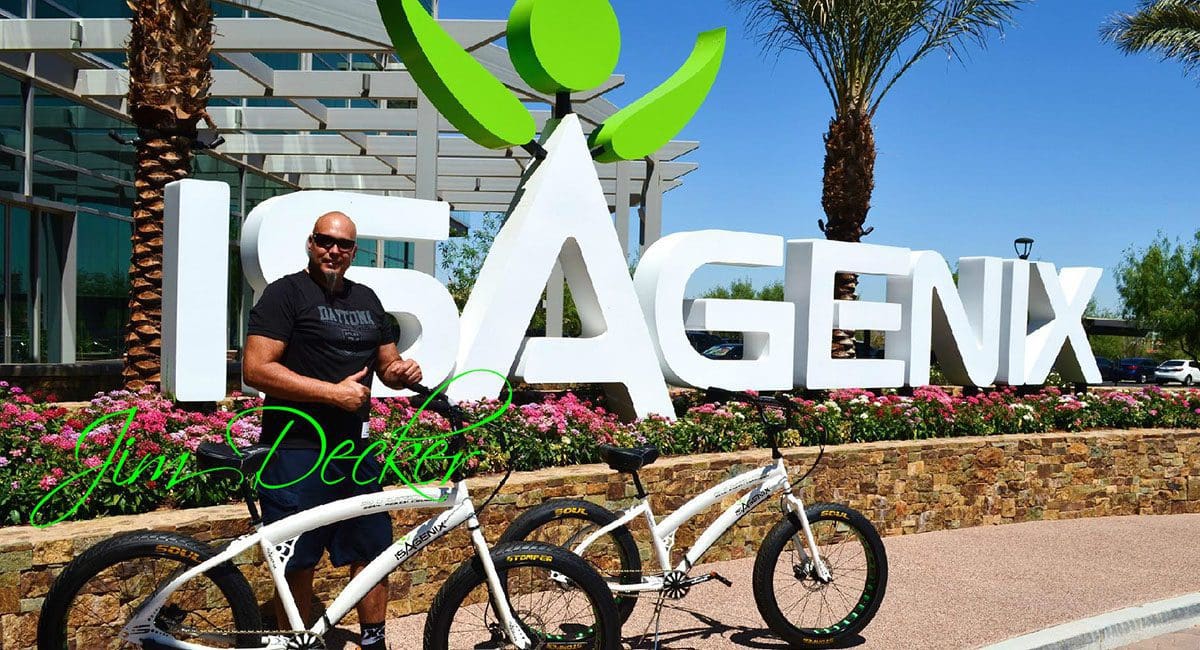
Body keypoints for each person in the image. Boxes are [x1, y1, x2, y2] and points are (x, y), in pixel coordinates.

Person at [243, 211, 421, 650]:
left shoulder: (367, 299)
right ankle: (299, 641)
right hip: (296, 450)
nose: (333, 250)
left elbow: (387, 364)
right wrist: (331, 394)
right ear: (311, 242)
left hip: (354, 453)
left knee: (372, 550)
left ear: (354, 251)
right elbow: (256, 368)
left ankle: (374, 642)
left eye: (343, 244)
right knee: (297, 559)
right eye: (325, 241)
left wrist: (402, 372)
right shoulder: (284, 294)